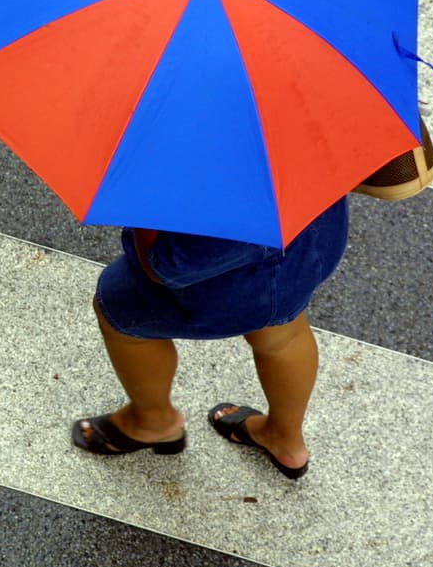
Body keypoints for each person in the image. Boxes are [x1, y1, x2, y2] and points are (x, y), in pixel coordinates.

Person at [72, 197, 349, 479]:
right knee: (284, 334)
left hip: (218, 289)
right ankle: (285, 438)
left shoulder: (208, 187)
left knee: (121, 316)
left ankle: (153, 422)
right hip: (304, 252)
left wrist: (145, 211)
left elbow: (162, 265)